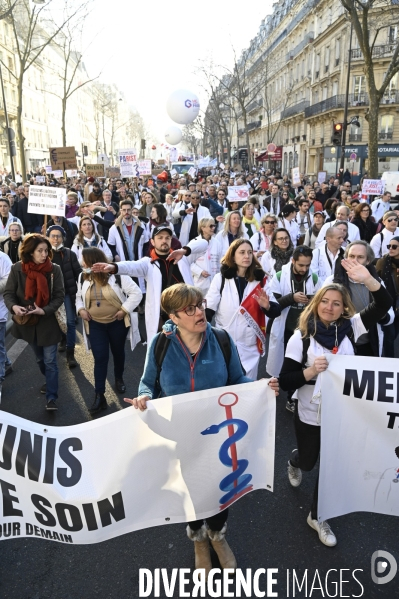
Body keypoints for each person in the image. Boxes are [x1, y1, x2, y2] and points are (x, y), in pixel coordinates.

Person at [125, 282, 279, 576]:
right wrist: (144, 397)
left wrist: (262, 387)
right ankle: (198, 538)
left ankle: (218, 537)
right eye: (190, 309)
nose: (200, 313)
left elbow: (237, 379)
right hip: (179, 436)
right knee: (189, 490)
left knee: (220, 489)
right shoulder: (160, 343)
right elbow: (148, 383)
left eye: (200, 305)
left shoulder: (221, 339)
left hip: (219, 435)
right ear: (174, 317)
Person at [279, 261, 392, 546]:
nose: (330, 308)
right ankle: (295, 461)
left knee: (330, 467)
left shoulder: (352, 328)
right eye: (325, 302)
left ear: (345, 308)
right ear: (316, 304)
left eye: (337, 304)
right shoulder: (301, 337)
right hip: (310, 413)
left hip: (342, 415)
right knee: (309, 461)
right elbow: (286, 380)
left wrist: (368, 279)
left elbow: (384, 303)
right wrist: (310, 371)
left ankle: (318, 515)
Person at [92, 225, 205, 344]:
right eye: (160, 238)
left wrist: (184, 250)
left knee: (190, 344)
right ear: (152, 241)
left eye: (167, 238)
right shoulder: (148, 263)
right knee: (164, 348)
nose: (164, 241)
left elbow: (204, 244)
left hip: (187, 312)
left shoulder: (183, 258)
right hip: (163, 316)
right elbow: (131, 266)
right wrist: (114, 267)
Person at [3, 233, 65, 410]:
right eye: (40, 251)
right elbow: (9, 294)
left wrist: (43, 310)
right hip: (27, 323)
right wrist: (14, 307)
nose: (44, 254)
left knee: (50, 360)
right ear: (30, 252)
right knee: (40, 359)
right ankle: (48, 380)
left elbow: (59, 296)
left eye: (46, 251)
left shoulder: (54, 270)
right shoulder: (17, 269)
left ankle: (52, 397)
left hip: (49, 322)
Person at [76, 247, 142, 410]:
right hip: (95, 325)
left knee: (118, 352)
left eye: (84, 260)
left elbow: (137, 293)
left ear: (93, 261)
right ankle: (100, 396)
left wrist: (124, 310)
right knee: (100, 358)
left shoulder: (117, 275)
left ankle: (118, 378)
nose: (82, 263)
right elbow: (78, 296)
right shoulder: (83, 276)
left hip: (117, 324)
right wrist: (81, 309)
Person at [206, 239, 281, 378]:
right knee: (225, 388)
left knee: (247, 389)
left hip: (249, 346)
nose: (247, 256)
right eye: (242, 252)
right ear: (233, 256)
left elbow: (276, 311)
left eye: (250, 252)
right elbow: (209, 309)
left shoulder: (261, 281)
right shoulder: (220, 279)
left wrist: (267, 306)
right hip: (224, 342)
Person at [266, 246, 321, 412]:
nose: (304, 269)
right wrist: (292, 298)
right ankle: (285, 393)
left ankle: (294, 397)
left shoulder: (314, 277)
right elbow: (274, 308)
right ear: (293, 261)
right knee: (288, 366)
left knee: (303, 365)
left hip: (305, 331)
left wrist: (311, 300)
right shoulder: (279, 276)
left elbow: (320, 303)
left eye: (307, 265)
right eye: (301, 265)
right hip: (286, 330)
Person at [324, 240, 392, 357]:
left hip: (368, 344)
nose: (354, 261)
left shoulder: (376, 283)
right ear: (345, 258)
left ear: (368, 261)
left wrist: (380, 314)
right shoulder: (332, 281)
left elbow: (389, 314)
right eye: (351, 256)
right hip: (339, 343)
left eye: (360, 257)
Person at [47, 225, 82, 367]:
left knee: (70, 322)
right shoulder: (44, 254)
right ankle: (62, 339)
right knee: (56, 322)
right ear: (48, 238)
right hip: (50, 295)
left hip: (67, 293)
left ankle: (70, 354)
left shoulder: (69, 254)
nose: (56, 239)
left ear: (63, 238)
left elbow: (78, 274)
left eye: (58, 236)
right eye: (53, 236)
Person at [376, 235, 399, 357]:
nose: (391, 249)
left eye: (394, 246)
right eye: (389, 246)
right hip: (387, 305)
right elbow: (376, 282)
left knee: (394, 335)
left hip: (398, 305)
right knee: (389, 336)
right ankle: (389, 362)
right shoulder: (382, 262)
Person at [188, 217, 218, 291]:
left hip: (215, 283)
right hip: (199, 284)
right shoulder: (194, 242)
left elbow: (220, 262)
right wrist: (200, 271)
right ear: (203, 228)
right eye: (211, 226)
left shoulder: (217, 243)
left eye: (214, 226)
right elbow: (187, 262)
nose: (213, 228)